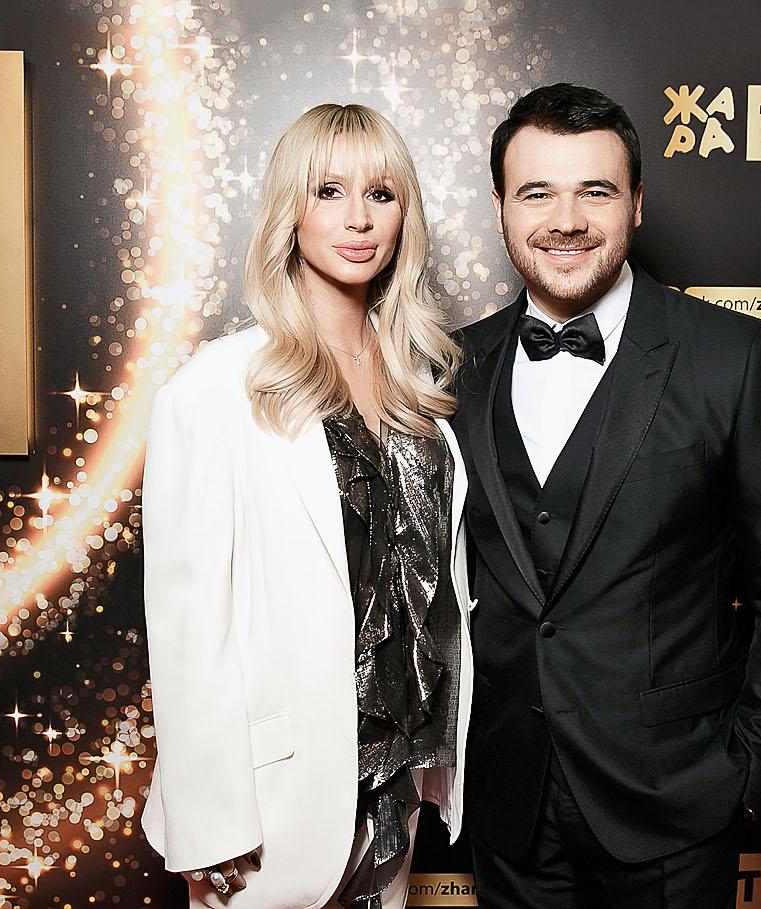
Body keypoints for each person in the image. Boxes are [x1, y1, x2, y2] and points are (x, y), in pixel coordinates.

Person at [450, 83, 761, 908]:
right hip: (506, 805)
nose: (566, 220)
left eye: (595, 191)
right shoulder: (450, 367)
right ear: (500, 209)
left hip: (676, 806)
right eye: (536, 193)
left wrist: (751, 771)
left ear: (636, 204)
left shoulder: (735, 359)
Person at [139, 103, 474, 909]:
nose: (358, 218)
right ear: (290, 210)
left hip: (395, 787)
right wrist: (209, 820)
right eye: (329, 190)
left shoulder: (418, 393)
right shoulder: (215, 389)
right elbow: (188, 622)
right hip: (267, 807)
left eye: (381, 194)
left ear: (405, 215)